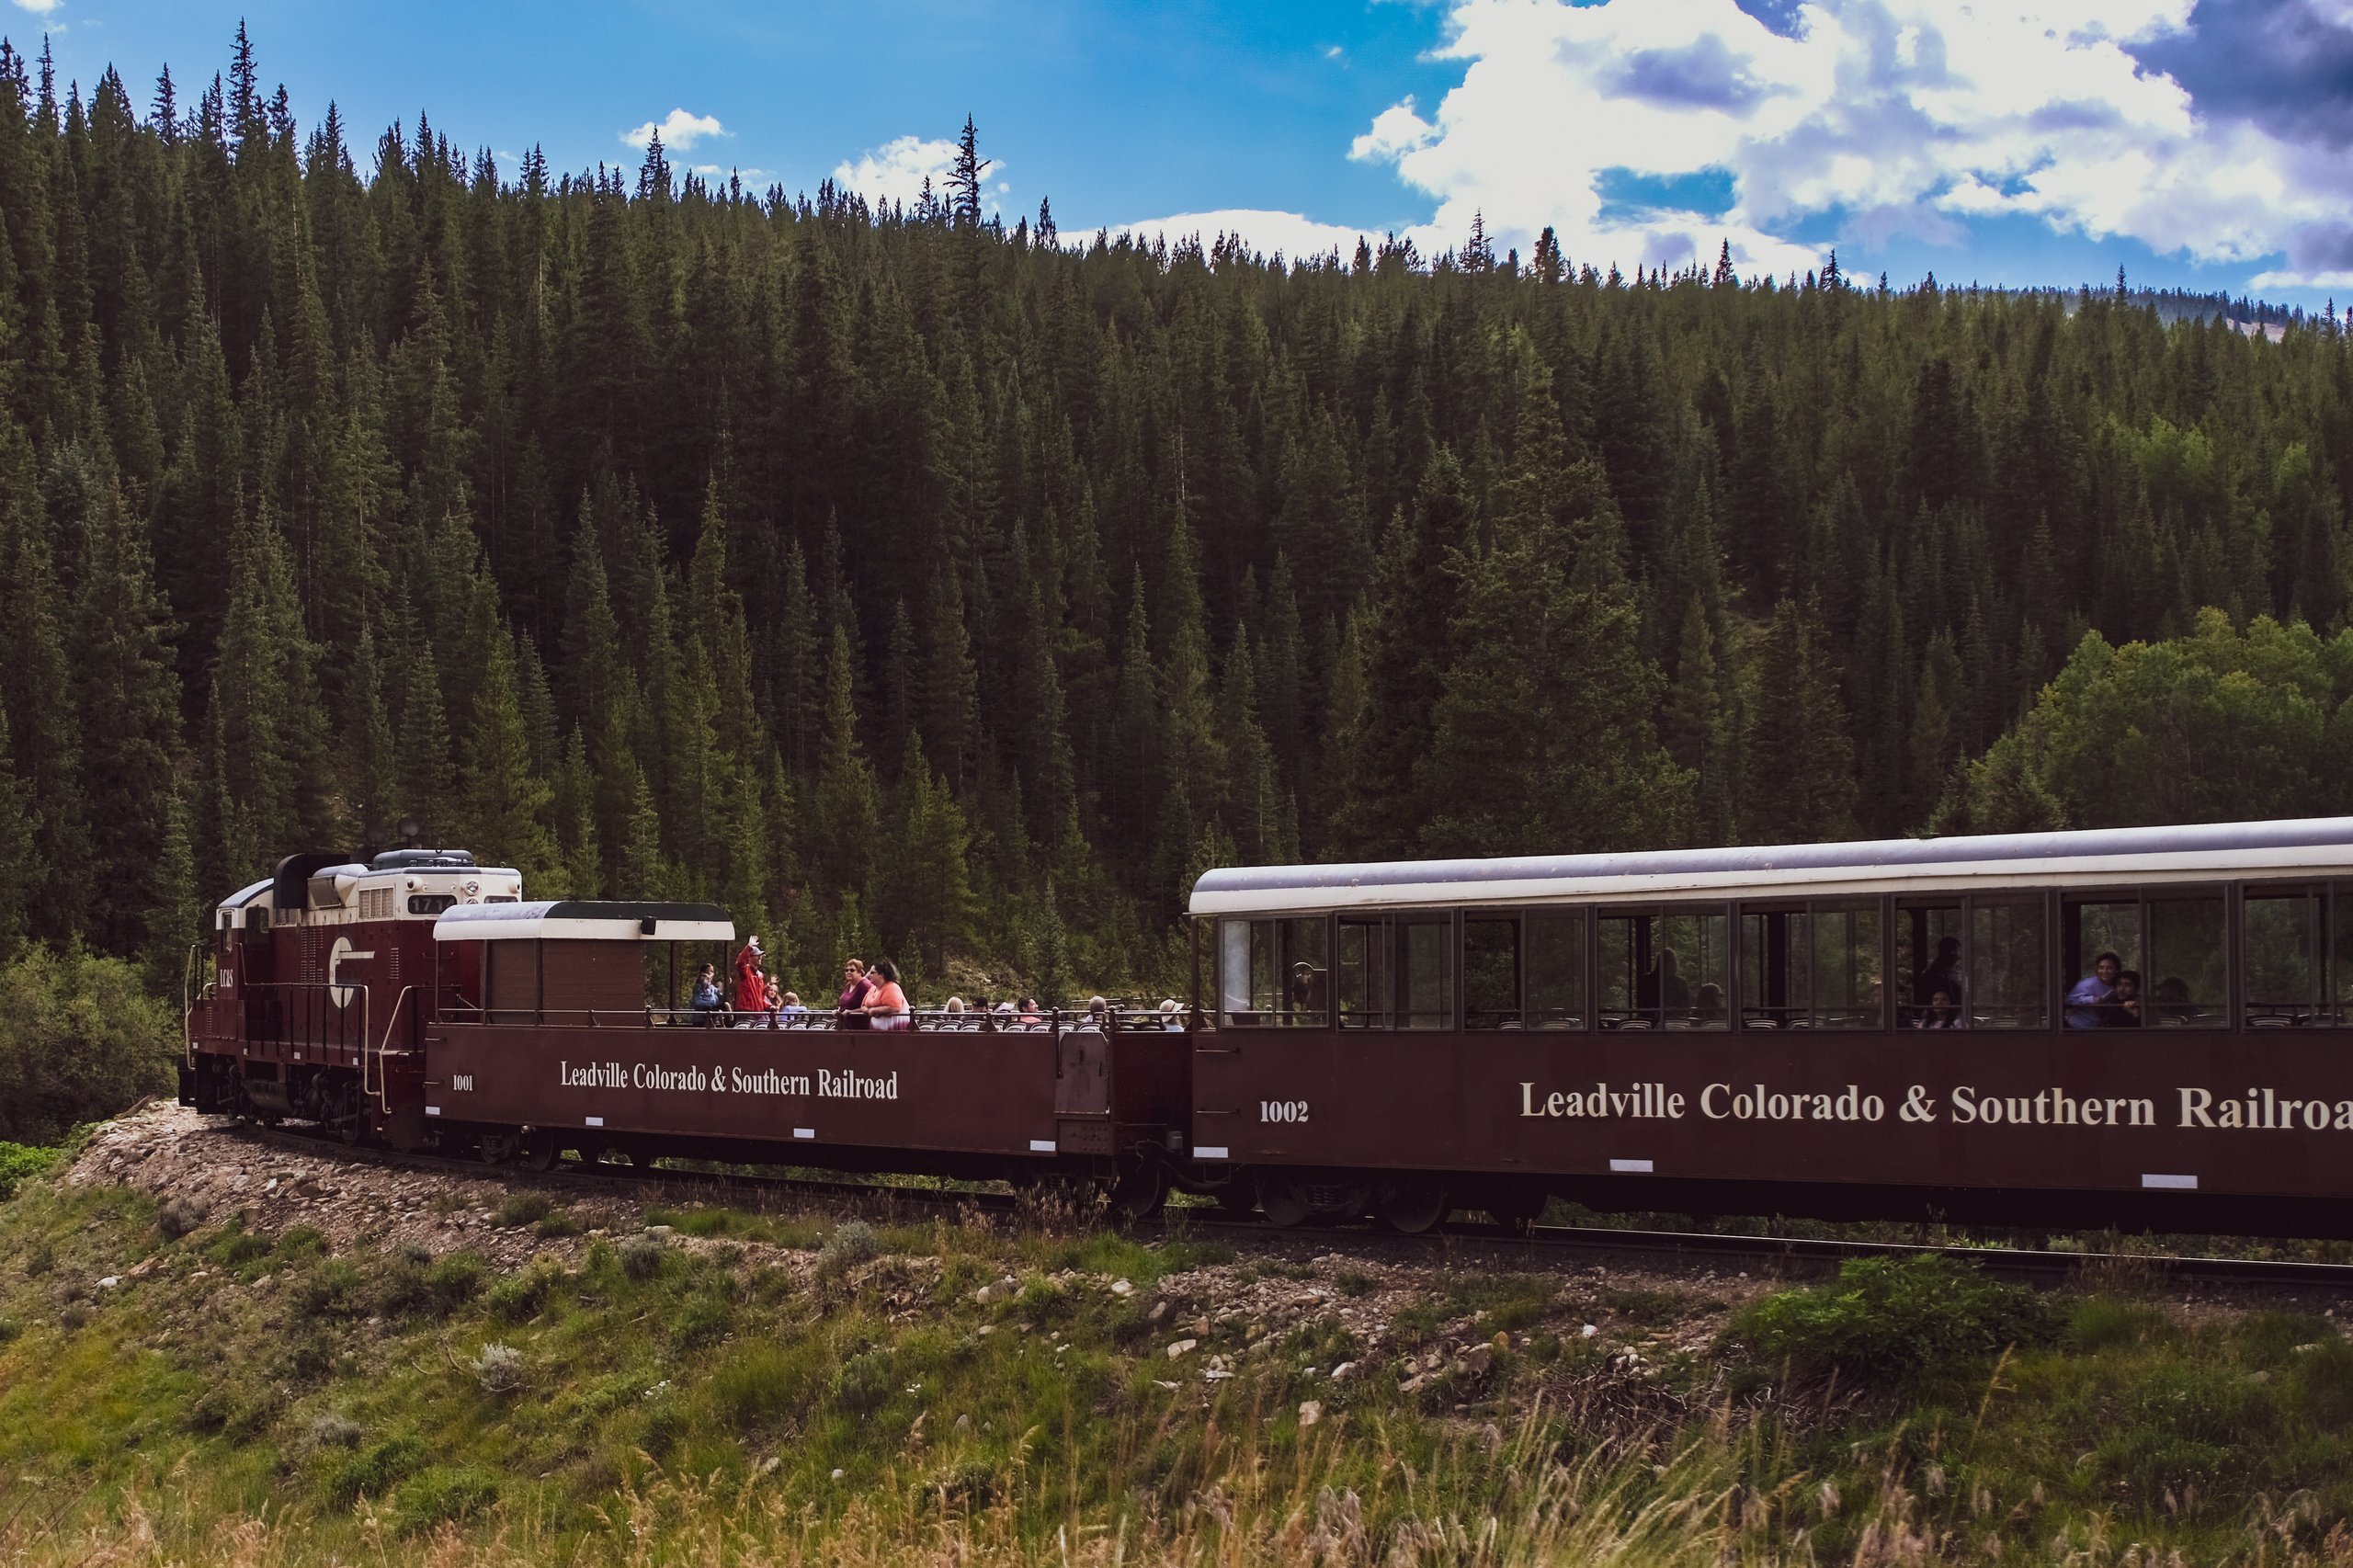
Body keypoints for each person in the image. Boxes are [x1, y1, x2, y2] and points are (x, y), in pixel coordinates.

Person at [2066, 951, 2120, 1028]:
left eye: (2109, 968)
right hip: (2077, 1028)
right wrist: (2091, 1000)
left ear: (2117, 970)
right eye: (2101, 968)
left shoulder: (2119, 985)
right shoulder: (2086, 984)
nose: (2105, 972)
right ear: (2097, 970)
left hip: (2101, 1029)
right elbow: (2069, 1000)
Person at [1917, 936, 1963, 1013]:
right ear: (1953, 952)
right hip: (1943, 1017)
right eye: (1958, 952)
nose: (1959, 957)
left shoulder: (1951, 972)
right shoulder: (1934, 974)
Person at [864, 959, 911, 1030]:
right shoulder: (872, 989)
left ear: (881, 975)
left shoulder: (892, 987)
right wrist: (868, 1011)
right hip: (878, 1030)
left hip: (894, 1031)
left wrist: (874, 1010)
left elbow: (895, 1007)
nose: (869, 975)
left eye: (872, 973)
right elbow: (863, 1006)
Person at [837, 958, 873, 1031]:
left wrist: (851, 1012)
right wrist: (838, 1011)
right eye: (846, 970)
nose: (848, 972)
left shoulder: (866, 986)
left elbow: (869, 1007)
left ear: (860, 972)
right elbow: (843, 1003)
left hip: (860, 1028)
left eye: (852, 970)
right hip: (845, 1026)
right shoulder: (848, 985)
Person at [733, 936, 767, 1013]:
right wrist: (749, 947)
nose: (760, 958)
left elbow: (761, 997)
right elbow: (739, 962)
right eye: (757, 955)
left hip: (758, 1013)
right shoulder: (745, 970)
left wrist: (770, 1006)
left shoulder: (760, 975)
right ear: (750, 957)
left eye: (760, 955)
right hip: (746, 1012)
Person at [690, 961, 724, 1027]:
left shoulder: (712, 988)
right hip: (701, 1021)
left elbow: (719, 994)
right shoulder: (698, 987)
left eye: (713, 972)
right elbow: (698, 1002)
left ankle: (730, 1021)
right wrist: (712, 1005)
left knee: (725, 1005)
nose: (712, 975)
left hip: (714, 1020)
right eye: (709, 972)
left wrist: (724, 983)